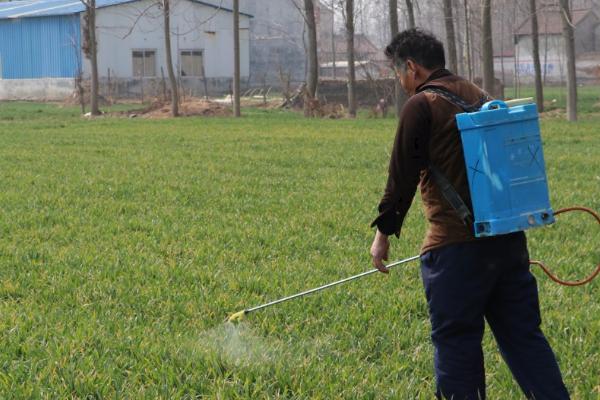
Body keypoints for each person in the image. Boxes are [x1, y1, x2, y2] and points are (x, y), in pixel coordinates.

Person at [369, 28, 570, 400]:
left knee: (457, 344)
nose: (400, 83)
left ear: (411, 67)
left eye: (399, 73)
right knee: (525, 340)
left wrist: (382, 236)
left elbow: (401, 178)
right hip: (508, 243)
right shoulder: (480, 95)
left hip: (454, 251)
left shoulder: (421, 104)